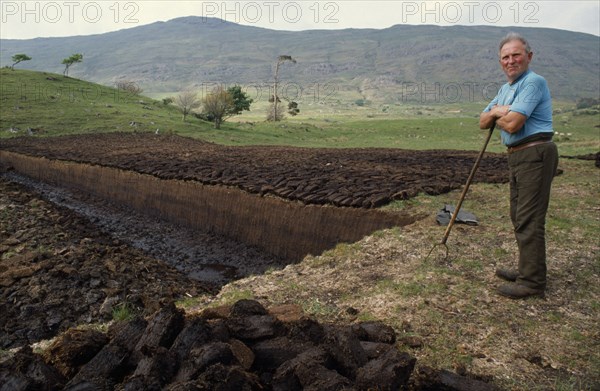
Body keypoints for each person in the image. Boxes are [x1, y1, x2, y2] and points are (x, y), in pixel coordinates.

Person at [479, 32, 558, 299]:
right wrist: (497, 111)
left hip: (535, 153)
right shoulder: (506, 89)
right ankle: (527, 269)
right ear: (500, 61)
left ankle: (532, 282)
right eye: (505, 57)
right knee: (518, 215)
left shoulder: (533, 83)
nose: (511, 61)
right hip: (517, 155)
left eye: (516, 55)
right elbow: (482, 121)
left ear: (529, 56)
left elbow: (513, 124)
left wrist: (499, 113)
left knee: (529, 218)